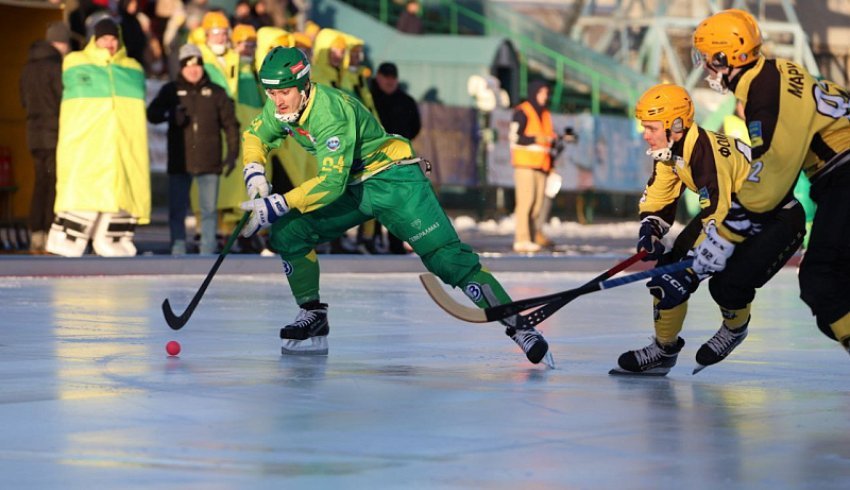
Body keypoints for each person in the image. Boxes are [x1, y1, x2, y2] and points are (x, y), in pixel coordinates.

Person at [238, 46, 552, 366]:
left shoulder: (329, 111)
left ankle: (521, 328)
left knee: (448, 260)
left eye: (285, 92)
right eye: (271, 92)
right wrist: (254, 173)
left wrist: (281, 202)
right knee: (289, 231)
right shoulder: (282, 107)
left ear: (305, 85)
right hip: (355, 186)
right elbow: (256, 134)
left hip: (395, 182)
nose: (277, 101)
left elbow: (331, 183)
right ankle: (312, 313)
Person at [609, 84, 805, 376]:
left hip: (777, 220)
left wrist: (691, 272)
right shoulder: (671, 151)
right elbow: (660, 197)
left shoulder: (708, 156)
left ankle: (735, 328)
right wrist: (650, 229)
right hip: (733, 215)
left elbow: (720, 219)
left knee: (726, 283)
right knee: (668, 270)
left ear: (675, 125)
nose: (644, 134)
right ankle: (664, 350)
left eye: (650, 127)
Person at [693, 9, 850, 356]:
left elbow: (772, 177)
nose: (704, 66)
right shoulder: (773, 75)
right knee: (834, 302)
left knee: (821, 282)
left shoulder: (768, 95)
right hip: (839, 179)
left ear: (724, 58)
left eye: (706, 58)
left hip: (845, 177)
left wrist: (724, 236)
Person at [47, 18, 150, 257]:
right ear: (95, 39)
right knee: (84, 192)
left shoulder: (132, 68)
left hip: (124, 146)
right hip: (86, 146)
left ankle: (114, 239)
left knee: (123, 194)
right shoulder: (75, 63)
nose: (109, 43)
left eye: (114, 38)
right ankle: (67, 238)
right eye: (104, 38)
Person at [147, 44, 239, 255]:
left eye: (197, 65)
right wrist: (170, 113)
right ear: (181, 68)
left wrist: (232, 154)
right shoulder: (171, 90)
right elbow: (152, 113)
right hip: (181, 160)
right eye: (188, 66)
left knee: (208, 210)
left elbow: (231, 124)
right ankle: (177, 248)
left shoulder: (216, 92)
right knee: (177, 210)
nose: (193, 70)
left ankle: (208, 250)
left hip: (209, 159)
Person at [20, 22, 70, 254]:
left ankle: (35, 234)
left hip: (33, 134)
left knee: (40, 183)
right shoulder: (56, 67)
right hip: (53, 133)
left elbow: (23, 100)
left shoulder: (27, 67)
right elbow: (64, 100)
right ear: (59, 43)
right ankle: (49, 232)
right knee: (52, 185)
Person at [370, 61, 421, 254]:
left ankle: (395, 242)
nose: (389, 81)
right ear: (378, 77)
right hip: (374, 156)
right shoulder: (370, 99)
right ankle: (372, 239)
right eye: (386, 77)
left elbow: (415, 126)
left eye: (393, 78)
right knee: (374, 201)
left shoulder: (405, 101)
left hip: (399, 158)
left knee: (398, 203)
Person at [509, 80, 556, 253]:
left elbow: (547, 139)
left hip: (541, 165)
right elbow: (515, 137)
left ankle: (531, 236)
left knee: (537, 205)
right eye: (542, 92)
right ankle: (521, 239)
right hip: (525, 164)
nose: (545, 96)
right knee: (525, 202)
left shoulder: (544, 113)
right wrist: (535, 139)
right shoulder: (523, 112)